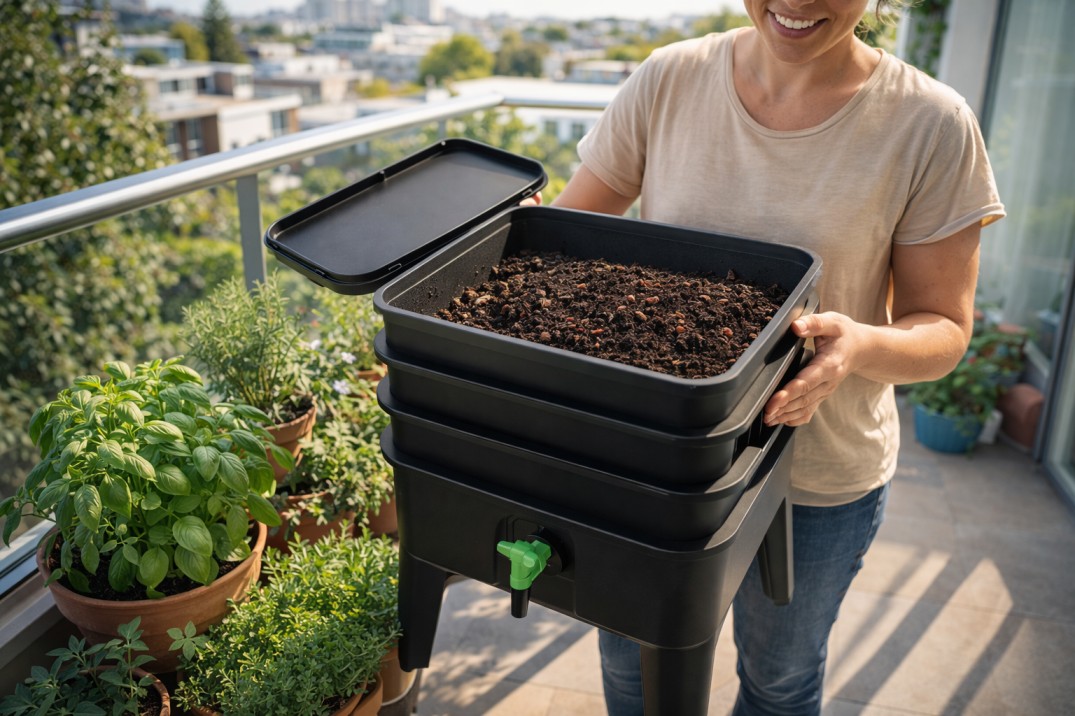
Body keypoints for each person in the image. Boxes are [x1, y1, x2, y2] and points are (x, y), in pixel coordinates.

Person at [543, 1, 1006, 714]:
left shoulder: (929, 124)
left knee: (779, 680)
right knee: (635, 659)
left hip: (814, 478)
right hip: (654, 467)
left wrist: (857, 345)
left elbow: (941, 328)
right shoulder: (669, 78)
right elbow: (565, 243)